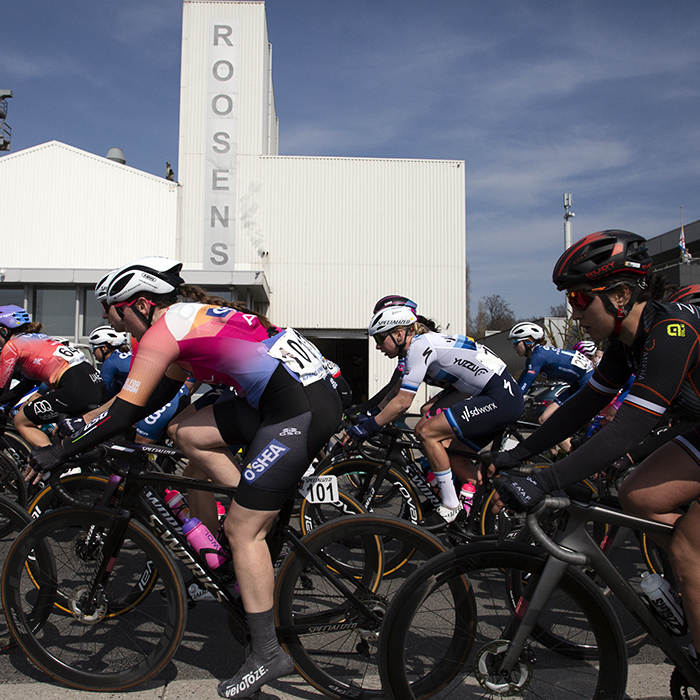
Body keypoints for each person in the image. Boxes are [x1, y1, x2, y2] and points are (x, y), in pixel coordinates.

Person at [28, 257, 342, 698]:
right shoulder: (183, 323)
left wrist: (59, 452)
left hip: (298, 409)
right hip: (290, 395)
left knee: (242, 530)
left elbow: (125, 412)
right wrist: (83, 426)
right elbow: (142, 399)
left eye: (111, 309)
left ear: (138, 305)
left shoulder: (163, 333)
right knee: (185, 432)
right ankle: (249, 508)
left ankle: (268, 652)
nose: (108, 319)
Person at [483, 229, 700, 667]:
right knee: (637, 495)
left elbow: (628, 429)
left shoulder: (671, 334)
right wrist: (516, 455)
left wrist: (546, 481)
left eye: (580, 300)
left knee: (687, 548)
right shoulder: (627, 340)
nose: (573, 313)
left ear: (620, 295)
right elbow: (584, 404)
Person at [346, 304, 523, 528]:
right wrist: (374, 415)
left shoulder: (420, 346)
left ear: (399, 334)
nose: (378, 346)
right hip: (497, 394)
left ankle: (450, 506)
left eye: (380, 339)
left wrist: (369, 426)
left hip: (500, 397)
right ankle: (485, 509)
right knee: (451, 452)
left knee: (427, 432)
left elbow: (402, 402)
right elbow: (406, 390)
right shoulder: (424, 343)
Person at [0, 306, 106, 449]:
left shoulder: (12, 346)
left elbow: (1, 385)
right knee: (62, 432)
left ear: (4, 330)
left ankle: (51, 460)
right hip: (94, 382)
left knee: (21, 421)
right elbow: (26, 385)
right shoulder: (39, 338)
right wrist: (6, 405)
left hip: (75, 386)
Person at [510, 321, 594, 454]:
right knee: (544, 419)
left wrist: (510, 401)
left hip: (586, 382)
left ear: (528, 341)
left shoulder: (538, 356)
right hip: (576, 383)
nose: (513, 346)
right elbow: (519, 384)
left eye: (515, 342)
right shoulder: (533, 357)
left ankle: (577, 458)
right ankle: (555, 455)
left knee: (554, 424)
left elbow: (525, 386)